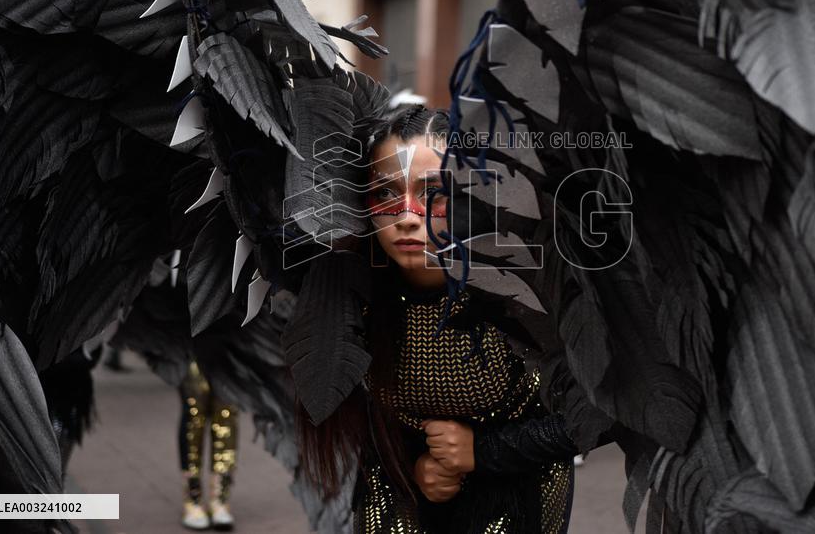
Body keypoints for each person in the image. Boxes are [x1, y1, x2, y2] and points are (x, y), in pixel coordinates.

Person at [295, 106, 580, 533]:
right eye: (386, 194)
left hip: (522, 483)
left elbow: (602, 413)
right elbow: (361, 418)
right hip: (399, 480)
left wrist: (482, 453)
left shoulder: (525, 287)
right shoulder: (349, 293)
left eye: (435, 194)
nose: (407, 218)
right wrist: (414, 466)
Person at [179, 359, 239, 531]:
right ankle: (193, 497)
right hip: (191, 346)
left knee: (227, 414)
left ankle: (220, 498)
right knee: (194, 413)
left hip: (230, 345)